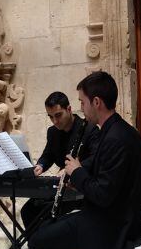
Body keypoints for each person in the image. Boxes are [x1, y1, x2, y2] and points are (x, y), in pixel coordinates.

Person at [29, 71, 141, 249]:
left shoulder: (115, 137)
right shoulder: (118, 131)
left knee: (39, 242)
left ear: (96, 102)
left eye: (82, 102)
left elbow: (103, 194)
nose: (81, 108)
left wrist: (79, 173)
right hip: (117, 219)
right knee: (51, 231)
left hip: (115, 229)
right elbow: (101, 171)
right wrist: (78, 174)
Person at [22, 91, 97, 231]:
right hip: (61, 186)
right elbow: (48, 154)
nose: (55, 121)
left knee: (46, 215)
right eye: (51, 117)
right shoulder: (53, 132)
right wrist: (41, 165)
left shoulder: (89, 129)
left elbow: (96, 158)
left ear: (68, 109)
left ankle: (46, 246)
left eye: (58, 115)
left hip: (81, 187)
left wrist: (73, 169)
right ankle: (39, 248)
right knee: (27, 211)